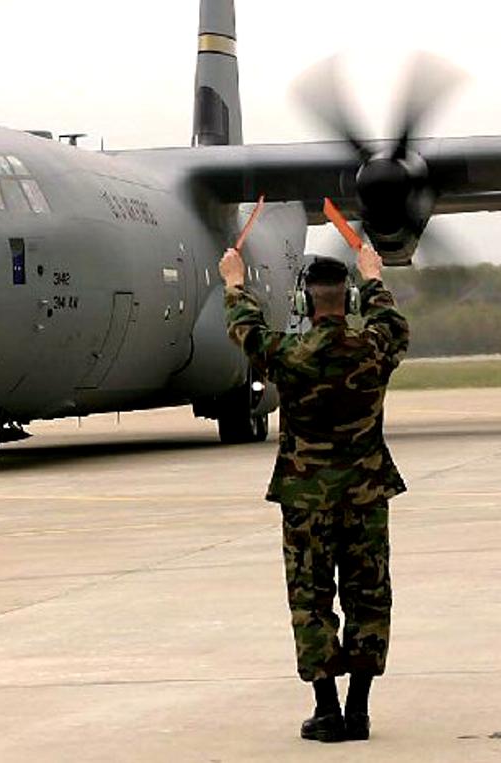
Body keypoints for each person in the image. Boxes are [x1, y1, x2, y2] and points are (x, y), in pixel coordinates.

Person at [219, 243, 409, 743]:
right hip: (366, 497)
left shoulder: (287, 354)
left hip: (306, 502)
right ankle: (360, 710)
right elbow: (391, 323)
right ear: (347, 302)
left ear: (304, 303)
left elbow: (248, 332)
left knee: (311, 600)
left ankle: (326, 710)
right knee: (369, 599)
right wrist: (372, 277)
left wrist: (234, 283)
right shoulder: (374, 350)